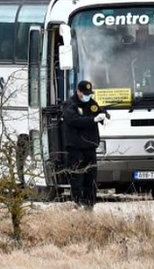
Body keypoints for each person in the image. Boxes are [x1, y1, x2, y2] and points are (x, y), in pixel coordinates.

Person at [62, 80, 107, 210]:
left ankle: (90, 204)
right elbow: (73, 120)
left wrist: (104, 116)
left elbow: (98, 110)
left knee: (91, 178)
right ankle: (78, 202)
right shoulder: (70, 104)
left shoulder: (91, 103)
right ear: (78, 91)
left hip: (90, 147)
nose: (88, 96)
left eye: (89, 93)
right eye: (85, 93)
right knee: (77, 177)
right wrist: (92, 119)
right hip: (76, 147)